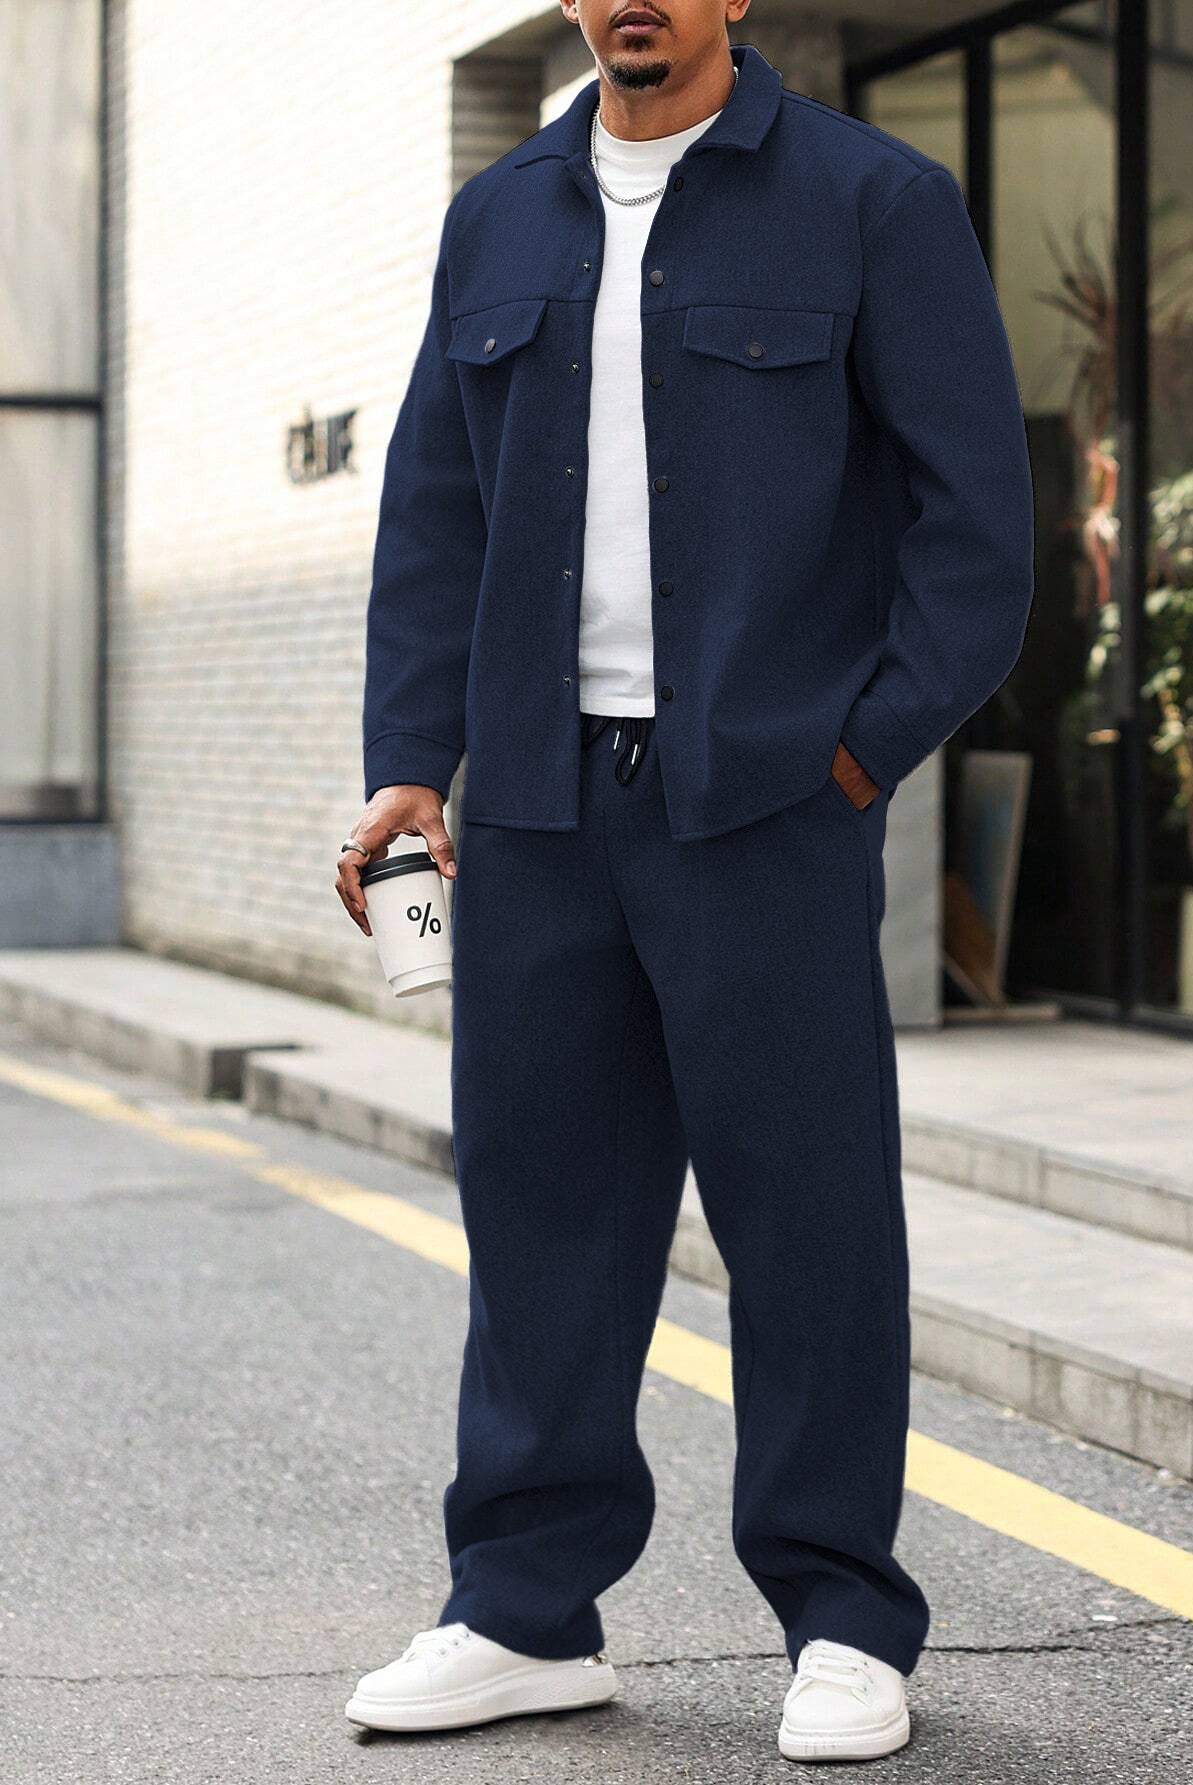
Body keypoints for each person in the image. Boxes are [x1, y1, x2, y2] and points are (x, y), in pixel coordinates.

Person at [335, 1, 1033, 1764]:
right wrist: (412, 760)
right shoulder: (499, 215)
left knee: (808, 1220)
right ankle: (522, 1609)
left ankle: (843, 1618)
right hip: (536, 810)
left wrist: (853, 756)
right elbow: (434, 507)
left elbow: (976, 532)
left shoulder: (875, 203)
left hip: (766, 804)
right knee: (540, 1214)